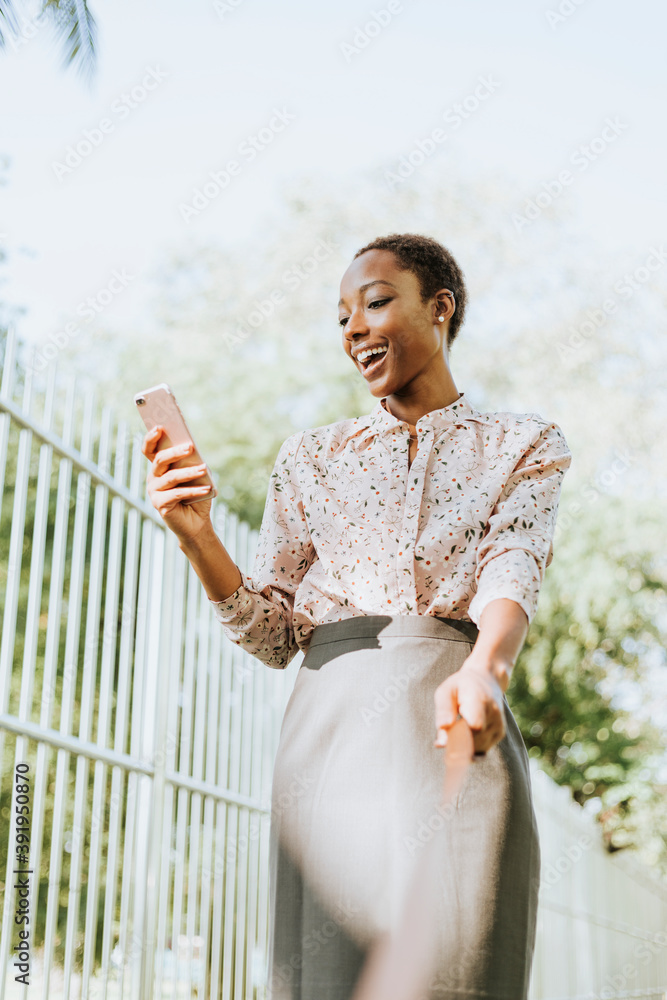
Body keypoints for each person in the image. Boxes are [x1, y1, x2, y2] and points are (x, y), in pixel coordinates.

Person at [142, 232, 572, 1000]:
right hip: (331, 747)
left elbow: (513, 567)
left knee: (460, 970)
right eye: (341, 316)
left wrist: (485, 669)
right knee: (331, 977)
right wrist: (199, 536)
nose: (353, 329)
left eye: (375, 303)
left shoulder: (522, 443)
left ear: (439, 308)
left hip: (459, 728)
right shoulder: (309, 457)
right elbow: (273, 637)